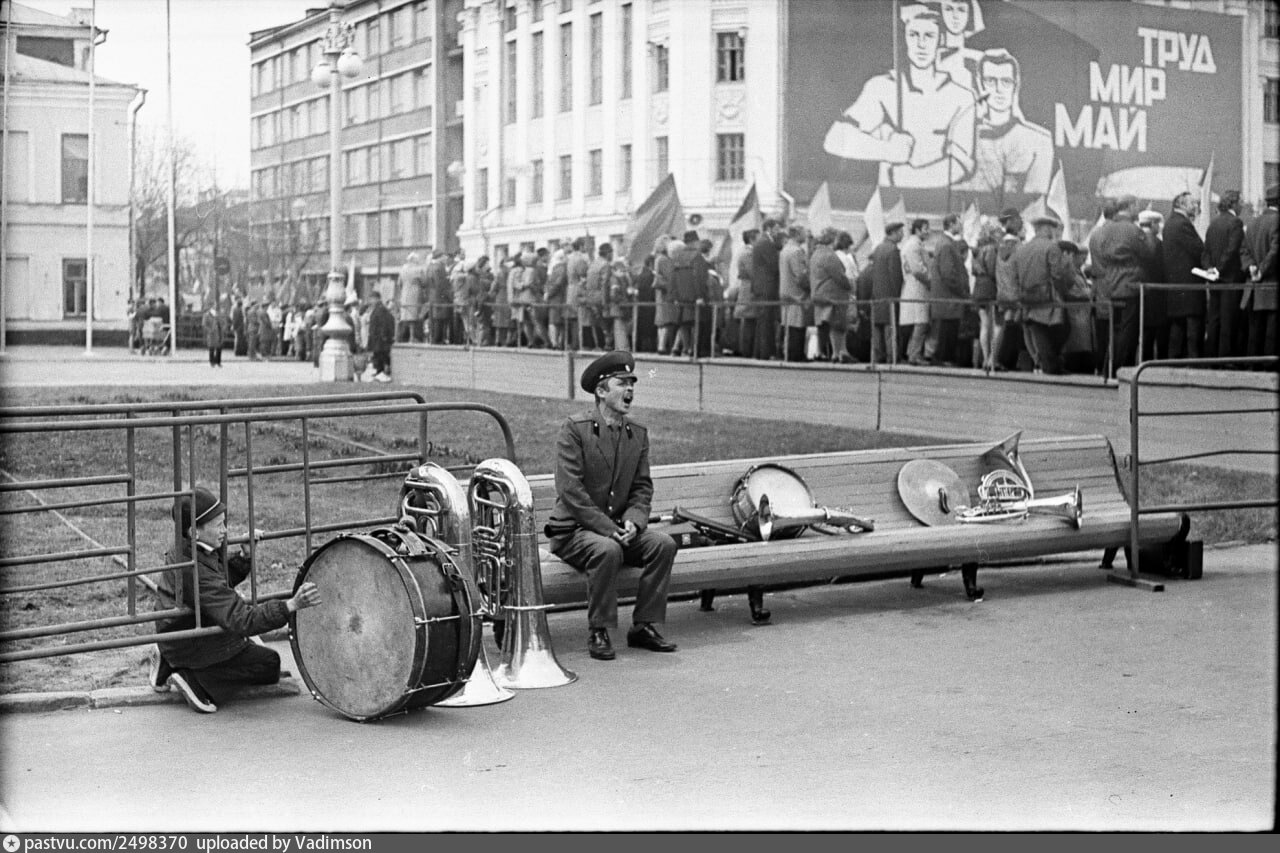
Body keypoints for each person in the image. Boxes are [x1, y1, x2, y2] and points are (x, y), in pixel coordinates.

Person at [544, 351, 678, 661]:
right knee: (608, 549)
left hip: (618, 530)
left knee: (663, 545)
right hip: (574, 532)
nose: (630, 390)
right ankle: (599, 630)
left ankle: (643, 626)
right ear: (601, 391)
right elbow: (571, 490)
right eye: (622, 383)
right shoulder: (575, 429)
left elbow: (642, 487)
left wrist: (634, 521)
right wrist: (608, 529)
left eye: (632, 383)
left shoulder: (637, 434)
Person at [151, 487, 322, 713]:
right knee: (269, 664)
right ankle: (195, 680)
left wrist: (244, 557)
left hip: (180, 631)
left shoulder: (189, 549)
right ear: (195, 532)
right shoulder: (195, 570)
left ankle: (169, 659)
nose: (225, 531)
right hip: (193, 641)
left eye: (224, 522)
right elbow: (241, 619)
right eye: (218, 525)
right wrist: (290, 605)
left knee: (252, 651)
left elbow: (216, 584)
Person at [823, 3, 976, 189]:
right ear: (904, 38)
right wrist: (886, 150)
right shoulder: (883, 88)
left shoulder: (961, 97)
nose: (921, 44)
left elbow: (961, 163)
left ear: (940, 40)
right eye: (913, 35)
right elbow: (835, 139)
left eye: (929, 36)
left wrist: (909, 178)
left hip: (938, 201)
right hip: (891, 202)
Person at [1089, 195, 1155, 375]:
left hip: (1111, 284)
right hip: (1131, 284)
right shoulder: (1133, 230)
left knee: (1115, 331)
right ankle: (1122, 369)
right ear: (1131, 206)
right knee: (1129, 331)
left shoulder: (1103, 231)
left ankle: (1109, 369)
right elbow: (1148, 254)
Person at [1011, 214, 1075, 375]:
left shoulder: (1022, 249)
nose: (1054, 231)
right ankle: (1051, 365)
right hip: (1049, 298)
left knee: (1038, 330)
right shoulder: (1051, 247)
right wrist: (1064, 292)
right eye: (1052, 228)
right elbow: (1057, 275)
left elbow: (1014, 275)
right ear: (1046, 229)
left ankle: (1049, 364)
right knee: (1062, 330)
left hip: (1027, 297)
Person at [1202, 189, 1248, 359]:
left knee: (1214, 319)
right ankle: (1225, 357)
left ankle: (1211, 356)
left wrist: (1210, 269)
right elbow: (1232, 249)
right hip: (1230, 279)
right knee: (1228, 320)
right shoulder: (1236, 223)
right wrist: (1219, 269)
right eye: (1240, 202)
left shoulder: (1213, 223)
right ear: (1233, 203)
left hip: (1214, 280)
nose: (1242, 205)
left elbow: (1206, 251)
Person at [1162, 191, 1207, 359]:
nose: (1195, 206)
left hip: (1176, 287)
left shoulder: (1170, 223)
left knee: (1177, 331)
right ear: (1181, 204)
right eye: (1192, 203)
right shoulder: (1182, 224)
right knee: (1193, 333)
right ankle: (1195, 365)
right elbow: (1198, 249)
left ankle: (1173, 364)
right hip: (1189, 286)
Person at [1241, 183, 1279, 359]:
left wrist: (1252, 267)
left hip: (1253, 289)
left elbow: (1244, 250)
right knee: (1271, 332)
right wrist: (1262, 271)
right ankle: (1267, 366)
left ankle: (1252, 364)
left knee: (1255, 331)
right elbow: (1275, 251)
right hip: (1272, 286)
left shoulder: (1253, 223)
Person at [929, 212, 970, 366]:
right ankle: (944, 358)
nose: (961, 225)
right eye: (958, 222)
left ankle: (943, 357)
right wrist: (962, 291)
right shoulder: (947, 245)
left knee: (948, 329)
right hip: (949, 297)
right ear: (951, 224)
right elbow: (948, 273)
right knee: (948, 329)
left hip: (947, 297)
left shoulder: (944, 243)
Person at [809, 227, 856, 364]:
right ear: (833, 239)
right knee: (838, 325)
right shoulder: (829, 255)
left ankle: (822, 352)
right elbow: (839, 276)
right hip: (832, 295)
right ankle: (839, 353)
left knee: (822, 326)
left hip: (818, 293)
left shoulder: (815, 254)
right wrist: (850, 285)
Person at [869, 220, 906, 364]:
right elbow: (896, 276)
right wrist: (898, 296)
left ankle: (877, 357)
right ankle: (892, 357)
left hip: (877, 295)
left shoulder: (878, 249)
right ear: (893, 233)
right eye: (900, 232)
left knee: (877, 329)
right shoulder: (893, 251)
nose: (902, 235)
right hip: (890, 296)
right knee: (890, 328)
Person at [970, 219, 1003, 370]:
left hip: (978, 287)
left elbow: (974, 271)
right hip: (990, 288)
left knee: (984, 324)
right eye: (998, 232)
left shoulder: (977, 250)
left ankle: (985, 357)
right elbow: (992, 270)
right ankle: (991, 359)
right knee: (997, 324)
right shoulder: (991, 249)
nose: (1000, 234)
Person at [900, 218, 933, 365]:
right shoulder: (914, 246)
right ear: (917, 230)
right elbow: (918, 270)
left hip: (915, 286)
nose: (928, 231)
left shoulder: (913, 244)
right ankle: (914, 354)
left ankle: (911, 352)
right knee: (921, 322)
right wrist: (930, 281)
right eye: (925, 228)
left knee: (919, 322)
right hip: (917, 287)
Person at [750, 219, 784, 360]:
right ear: (769, 228)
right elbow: (774, 265)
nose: (778, 232)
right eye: (776, 228)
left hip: (761, 287)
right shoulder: (766, 243)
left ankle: (759, 352)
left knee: (763, 322)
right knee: (766, 322)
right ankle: (765, 352)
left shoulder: (762, 242)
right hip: (766, 287)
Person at [779, 225, 811, 362]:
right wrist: (810, 287)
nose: (806, 235)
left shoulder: (785, 250)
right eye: (804, 232)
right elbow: (800, 275)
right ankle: (797, 354)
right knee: (798, 326)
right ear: (797, 234)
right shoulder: (796, 251)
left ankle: (789, 353)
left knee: (789, 325)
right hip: (797, 294)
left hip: (786, 292)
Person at [365, 289, 396, 382]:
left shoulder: (380, 309)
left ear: (376, 299)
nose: (370, 301)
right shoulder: (378, 309)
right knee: (378, 355)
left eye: (371, 299)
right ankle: (379, 372)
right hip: (377, 338)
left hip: (379, 338)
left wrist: (383, 336)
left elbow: (383, 324)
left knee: (381, 355)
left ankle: (381, 372)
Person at [396, 252, 425, 343]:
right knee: (414, 315)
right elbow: (424, 282)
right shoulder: (418, 269)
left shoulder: (402, 270)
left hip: (405, 294)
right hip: (415, 294)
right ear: (414, 260)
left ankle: (406, 337)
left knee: (406, 315)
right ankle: (413, 337)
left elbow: (399, 283)